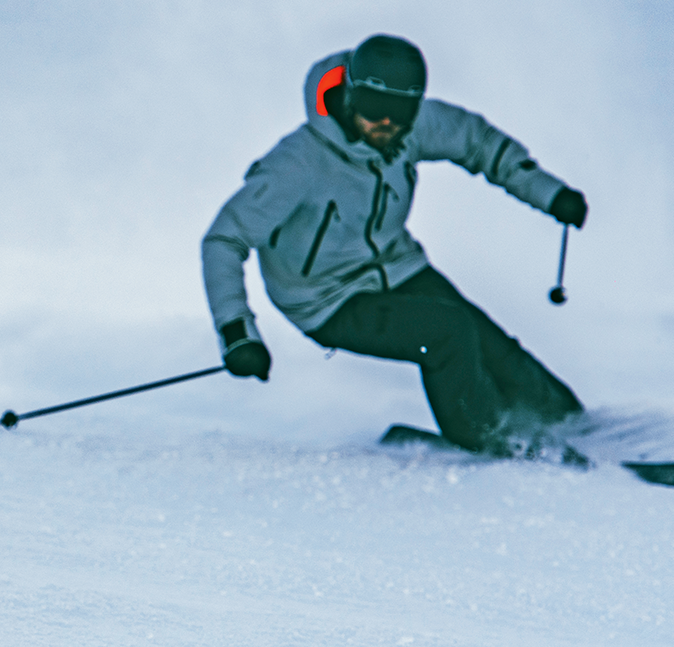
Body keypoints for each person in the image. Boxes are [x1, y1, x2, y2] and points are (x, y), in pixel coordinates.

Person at [201, 34, 588, 454]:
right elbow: (224, 239)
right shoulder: (299, 162)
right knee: (447, 333)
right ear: (350, 96)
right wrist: (239, 335)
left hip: (397, 266)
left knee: (489, 341)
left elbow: (478, 143)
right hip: (325, 299)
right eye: (374, 109)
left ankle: (569, 421)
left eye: (400, 111)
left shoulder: (408, 129)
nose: (386, 123)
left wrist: (549, 193)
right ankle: (490, 435)